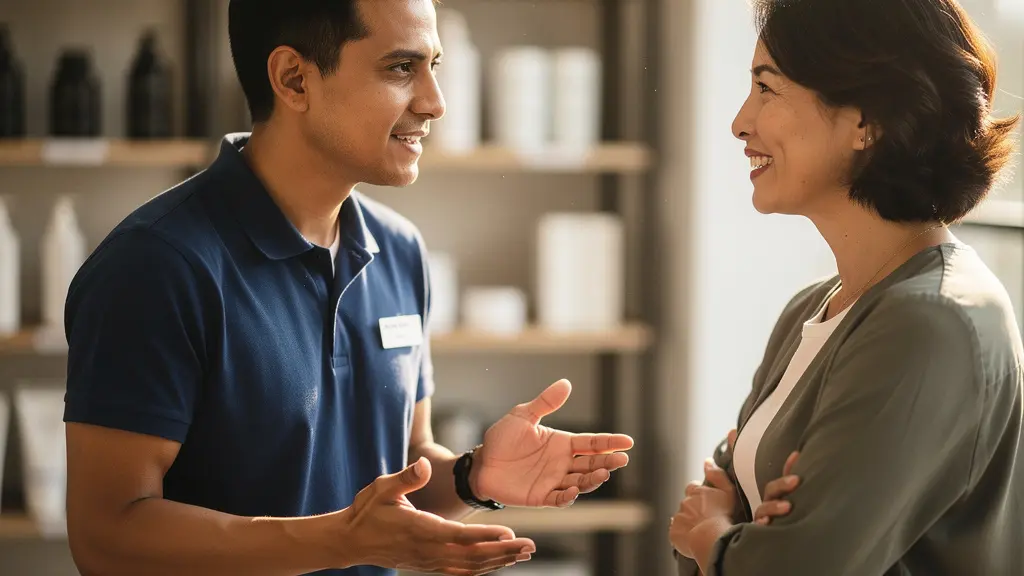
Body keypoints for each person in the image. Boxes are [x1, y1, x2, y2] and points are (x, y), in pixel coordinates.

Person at [61, 1, 634, 575]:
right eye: (401, 68)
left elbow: (402, 469)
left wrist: (472, 475)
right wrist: (342, 542)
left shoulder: (399, 249)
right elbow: (108, 537)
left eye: (435, 65)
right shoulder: (157, 266)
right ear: (294, 79)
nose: (435, 102)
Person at [668, 0, 1023, 575]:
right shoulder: (813, 309)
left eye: (767, 88)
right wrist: (723, 538)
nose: (740, 121)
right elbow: (700, 521)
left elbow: (784, 564)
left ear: (867, 119)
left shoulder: (932, 320)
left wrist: (716, 536)